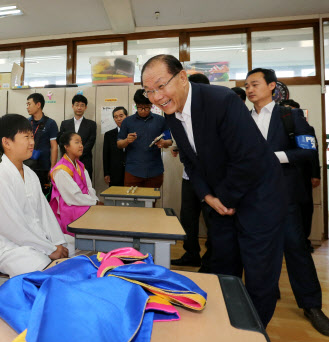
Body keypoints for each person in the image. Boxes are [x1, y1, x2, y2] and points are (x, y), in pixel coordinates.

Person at [142, 54, 286, 327]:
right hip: (221, 200)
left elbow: (248, 160)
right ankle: (225, 330)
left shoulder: (221, 101)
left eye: (161, 86)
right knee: (223, 269)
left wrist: (223, 199)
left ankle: (251, 335)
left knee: (259, 277)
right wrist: (208, 197)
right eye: (150, 91)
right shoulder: (171, 113)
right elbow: (190, 160)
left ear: (182, 77)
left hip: (259, 199)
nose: (157, 97)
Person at [246, 69, 329, 336]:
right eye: (246, 85)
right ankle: (259, 301)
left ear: (272, 86)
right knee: (257, 254)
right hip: (252, 200)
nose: (249, 89)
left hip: (284, 198)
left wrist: (275, 157)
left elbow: (308, 151)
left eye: (255, 84)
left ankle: (311, 305)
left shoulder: (290, 116)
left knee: (296, 250)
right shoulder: (242, 119)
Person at [0, 114, 73, 277]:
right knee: (49, 268)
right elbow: (11, 228)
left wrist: (57, 243)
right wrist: (50, 249)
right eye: (26, 137)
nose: (32, 142)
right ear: (7, 142)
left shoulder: (30, 173)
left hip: (35, 241)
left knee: (74, 248)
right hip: (9, 249)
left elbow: (45, 214)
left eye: (32, 136)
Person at [171, 73, 212, 269]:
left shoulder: (213, 113)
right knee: (188, 217)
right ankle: (191, 253)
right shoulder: (178, 113)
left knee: (212, 220)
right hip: (189, 177)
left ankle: (212, 259)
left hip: (211, 179)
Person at [280, 99, 321, 252]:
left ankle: (304, 240)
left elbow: (313, 154)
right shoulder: (278, 131)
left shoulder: (305, 129)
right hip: (283, 178)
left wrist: (316, 174)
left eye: (290, 110)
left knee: (304, 208)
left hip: (303, 176)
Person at [117, 89, 172, 187]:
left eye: (146, 108)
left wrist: (164, 143)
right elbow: (119, 144)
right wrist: (127, 141)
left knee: (152, 201)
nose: (143, 111)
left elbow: (170, 141)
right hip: (133, 171)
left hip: (155, 171)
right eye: (139, 107)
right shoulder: (127, 122)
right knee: (131, 201)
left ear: (151, 106)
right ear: (136, 105)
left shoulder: (161, 120)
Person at [49, 131, 99, 235]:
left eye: (81, 142)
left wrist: (95, 200)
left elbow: (89, 188)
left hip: (82, 202)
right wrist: (94, 203)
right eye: (77, 142)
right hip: (70, 206)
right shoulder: (61, 170)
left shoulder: (80, 165)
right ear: (66, 146)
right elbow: (73, 197)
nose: (81, 146)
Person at [26, 93, 59, 193]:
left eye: (29, 104)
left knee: (44, 196)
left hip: (44, 167)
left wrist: (52, 168)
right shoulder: (26, 123)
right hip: (28, 166)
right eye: (26, 104)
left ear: (38, 105)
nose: (27, 107)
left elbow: (54, 147)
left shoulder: (50, 123)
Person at [59, 94, 97, 178]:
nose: (79, 108)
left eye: (82, 105)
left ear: (85, 107)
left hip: (85, 162)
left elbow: (90, 142)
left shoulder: (92, 124)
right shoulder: (65, 124)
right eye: (77, 105)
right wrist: (71, 155)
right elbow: (61, 142)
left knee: (85, 187)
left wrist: (77, 155)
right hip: (67, 161)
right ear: (72, 106)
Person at [103, 106, 128, 186]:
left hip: (131, 172)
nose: (119, 119)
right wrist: (106, 173)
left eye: (121, 116)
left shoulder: (134, 133)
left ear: (127, 116)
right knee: (116, 196)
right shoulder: (109, 135)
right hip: (115, 172)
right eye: (116, 117)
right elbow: (106, 155)